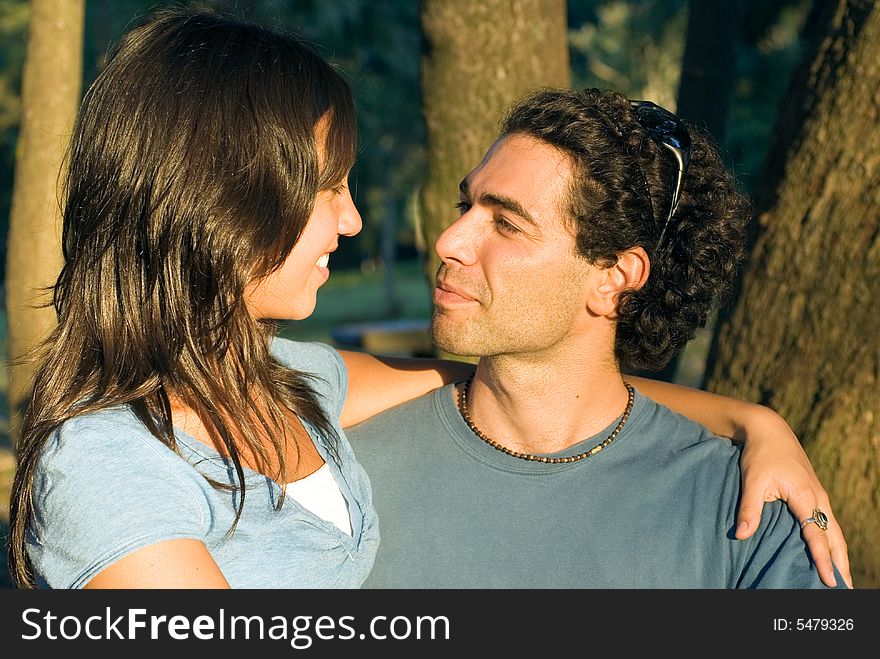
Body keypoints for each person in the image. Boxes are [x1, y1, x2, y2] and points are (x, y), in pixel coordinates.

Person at [6, 9, 849, 589]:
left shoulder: (291, 385)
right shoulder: (110, 462)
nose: (358, 218)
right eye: (326, 187)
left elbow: (522, 392)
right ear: (219, 201)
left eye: (505, 222)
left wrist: (751, 421)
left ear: (616, 276)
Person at [349, 87, 850, 588]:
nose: (448, 240)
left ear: (613, 277)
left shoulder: (742, 508)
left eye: (506, 223)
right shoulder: (336, 467)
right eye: (466, 205)